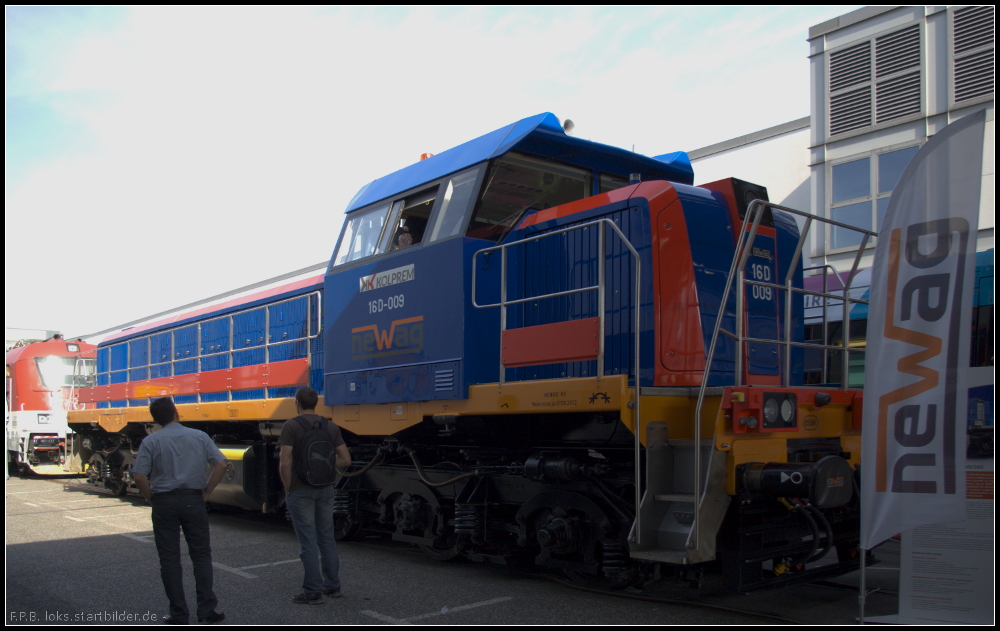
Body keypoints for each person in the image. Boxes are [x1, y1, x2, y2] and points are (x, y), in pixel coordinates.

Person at [133, 398, 228, 625]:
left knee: (169, 559)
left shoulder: (151, 441)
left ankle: (178, 614)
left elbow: (139, 476)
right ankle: (206, 612)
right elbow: (222, 465)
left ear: (155, 420)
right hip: (193, 500)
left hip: (164, 502)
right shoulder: (199, 436)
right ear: (176, 413)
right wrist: (206, 492)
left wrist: (151, 497)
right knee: (201, 555)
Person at [279, 387, 351, 605]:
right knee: (327, 538)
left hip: (300, 490)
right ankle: (333, 586)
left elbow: (285, 462)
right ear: (315, 403)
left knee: (308, 541)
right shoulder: (331, 426)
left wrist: (288, 486)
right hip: (326, 488)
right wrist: (326, 467)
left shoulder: (291, 426)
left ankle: (312, 591)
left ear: (297, 403)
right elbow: (346, 460)